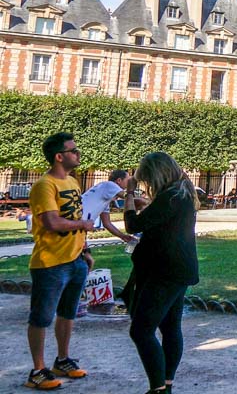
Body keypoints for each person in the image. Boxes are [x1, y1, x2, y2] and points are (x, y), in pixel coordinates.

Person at [123, 151, 201, 394]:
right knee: (170, 327)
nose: (146, 185)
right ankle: (165, 384)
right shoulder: (181, 192)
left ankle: (158, 389)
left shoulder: (170, 196)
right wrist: (147, 206)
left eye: (147, 179)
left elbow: (132, 225)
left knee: (141, 330)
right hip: (178, 269)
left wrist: (129, 193)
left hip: (164, 271)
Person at [24, 132, 95, 390]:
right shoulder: (45, 185)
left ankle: (62, 360)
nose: (77, 154)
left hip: (75, 260)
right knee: (41, 318)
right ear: (59, 156)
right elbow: (51, 222)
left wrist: (85, 251)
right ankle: (37, 370)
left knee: (67, 313)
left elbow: (76, 215)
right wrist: (84, 225)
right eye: (73, 150)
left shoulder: (74, 183)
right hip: (51, 263)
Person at [81, 169, 137, 245]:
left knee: (84, 254)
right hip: (77, 224)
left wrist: (123, 236)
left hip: (80, 227)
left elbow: (107, 223)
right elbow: (129, 198)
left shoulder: (105, 196)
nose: (129, 183)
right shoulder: (110, 185)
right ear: (119, 180)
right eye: (128, 180)